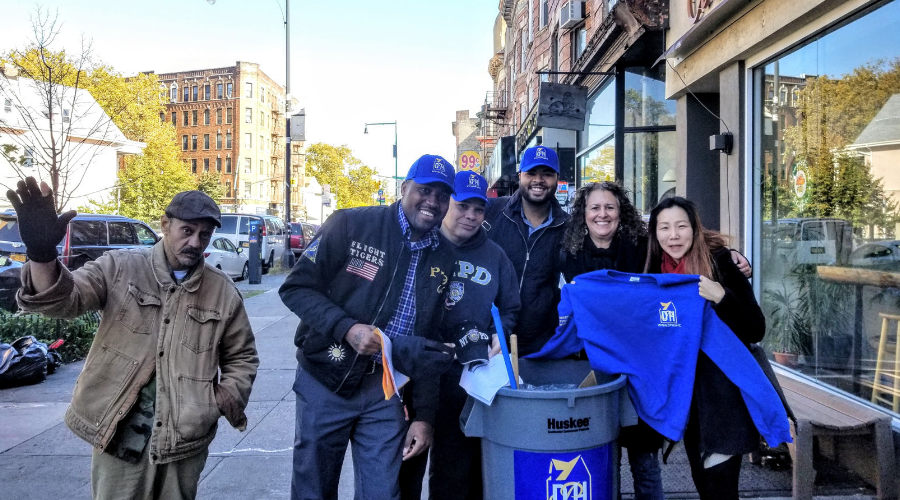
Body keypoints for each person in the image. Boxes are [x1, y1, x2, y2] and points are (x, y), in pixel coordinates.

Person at [9, 178, 258, 500]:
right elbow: (63, 301)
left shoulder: (222, 290)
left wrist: (218, 401)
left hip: (184, 439)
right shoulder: (119, 267)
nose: (196, 242)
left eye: (204, 235)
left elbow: (242, 356)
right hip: (119, 434)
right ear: (165, 225)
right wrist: (41, 255)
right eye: (187, 230)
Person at [279, 154, 459, 500]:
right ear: (404, 188)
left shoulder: (445, 257)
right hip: (325, 380)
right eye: (424, 190)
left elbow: (430, 343)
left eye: (442, 195)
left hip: (386, 390)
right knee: (313, 489)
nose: (432, 202)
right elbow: (296, 288)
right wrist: (347, 328)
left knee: (382, 492)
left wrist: (424, 416)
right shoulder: (350, 224)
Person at [399, 171, 521, 500]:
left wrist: (500, 332)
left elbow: (510, 308)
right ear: (447, 204)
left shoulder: (494, 255)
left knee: (454, 469)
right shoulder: (421, 244)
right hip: (415, 372)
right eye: (462, 205)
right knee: (406, 465)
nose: (470, 215)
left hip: (466, 377)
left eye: (478, 209)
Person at [645, 196, 766, 500]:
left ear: (695, 229)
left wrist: (721, 295)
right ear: (655, 233)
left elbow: (755, 327)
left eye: (681, 226)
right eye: (665, 228)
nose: (673, 235)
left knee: (720, 490)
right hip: (688, 404)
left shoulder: (719, 263)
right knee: (703, 484)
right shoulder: (651, 270)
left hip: (724, 399)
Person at [483, 145, 569, 356]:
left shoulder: (569, 227)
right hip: (488, 338)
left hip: (540, 346)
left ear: (557, 178)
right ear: (520, 176)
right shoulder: (492, 212)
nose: (538, 180)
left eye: (547, 174)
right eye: (531, 173)